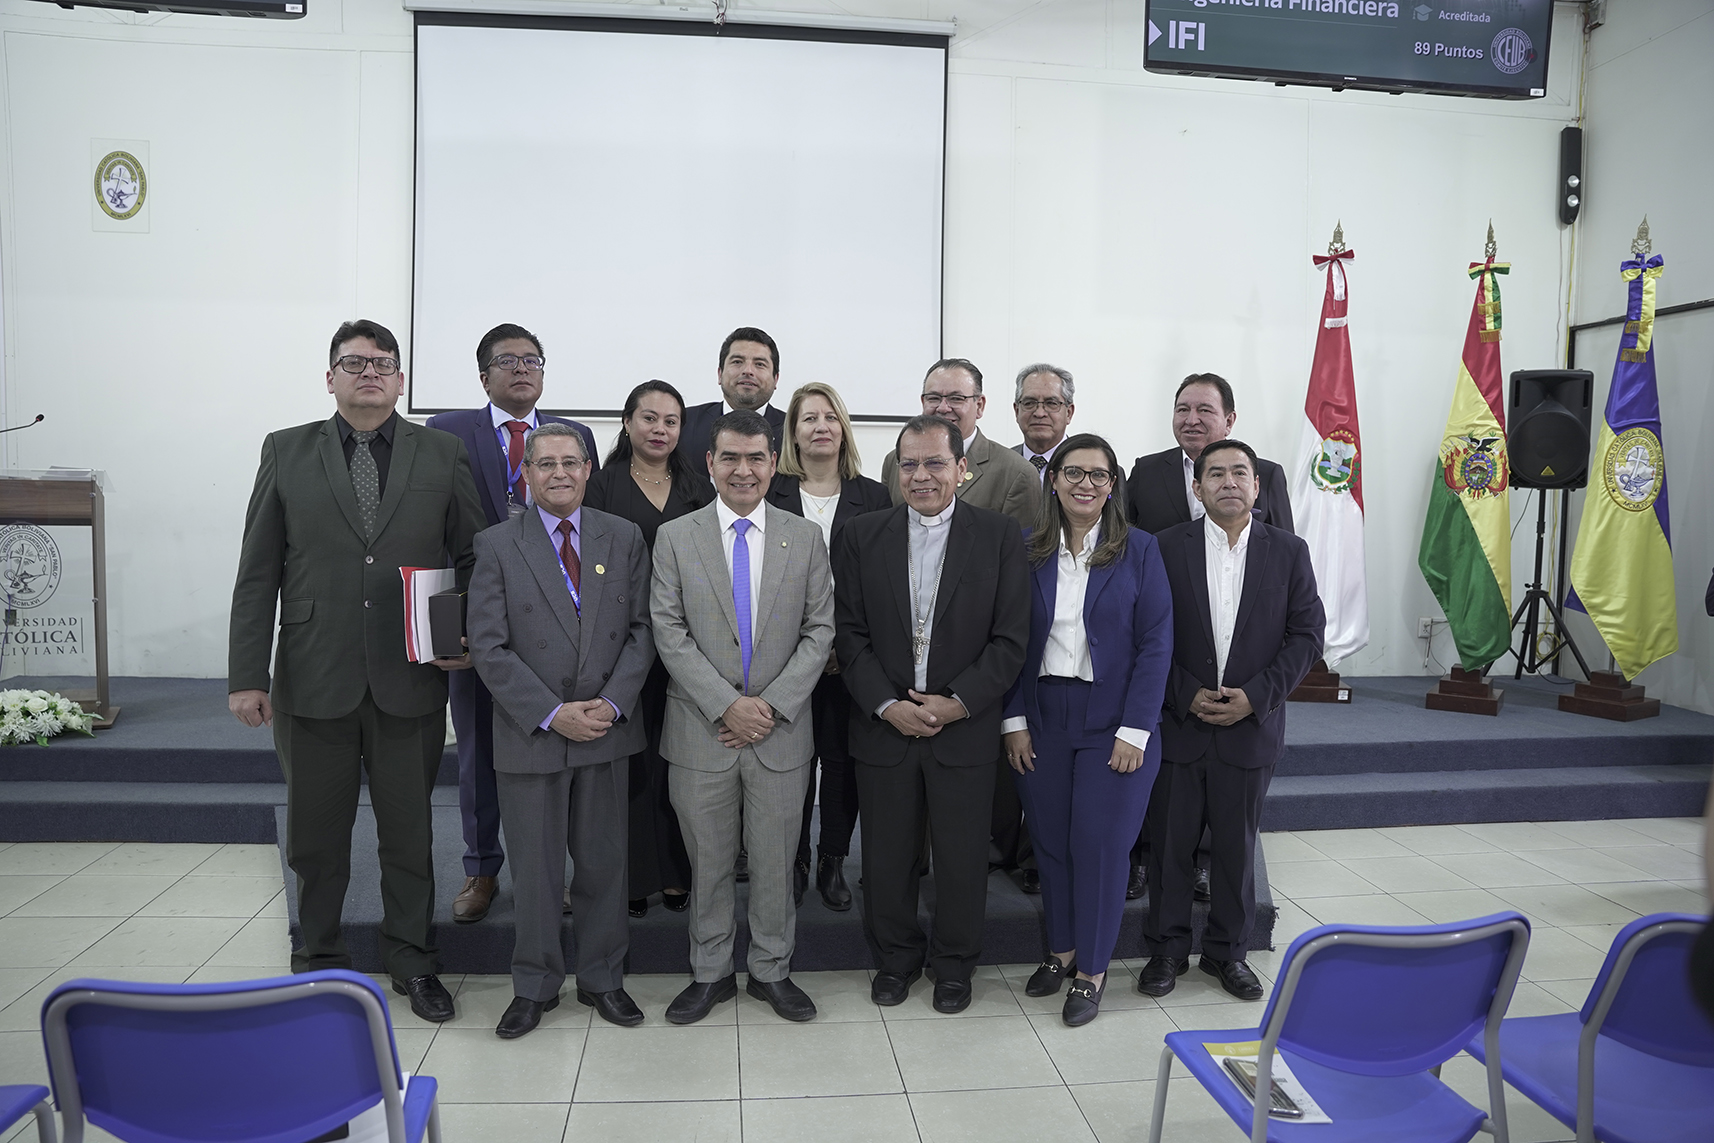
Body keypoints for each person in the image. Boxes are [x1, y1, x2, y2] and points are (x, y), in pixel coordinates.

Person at [228, 319, 485, 1023]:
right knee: (316, 837)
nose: (369, 373)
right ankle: (319, 960)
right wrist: (247, 674)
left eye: (381, 364)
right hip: (313, 674)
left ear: (400, 380)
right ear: (330, 378)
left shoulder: (441, 452)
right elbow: (258, 571)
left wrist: (460, 627)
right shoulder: (286, 450)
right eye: (354, 363)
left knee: (409, 835)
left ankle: (413, 959)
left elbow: (472, 554)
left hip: (410, 673)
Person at [834, 415, 1030, 1013]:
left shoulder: (998, 536)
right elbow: (849, 634)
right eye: (910, 464)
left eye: (936, 463)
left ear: (961, 469)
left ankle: (954, 965)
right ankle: (895, 960)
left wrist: (957, 702)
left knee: (962, 858)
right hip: (884, 727)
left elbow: (1010, 640)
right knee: (887, 857)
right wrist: (888, 705)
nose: (921, 476)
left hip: (963, 728)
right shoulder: (862, 534)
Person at [467, 424, 654, 1036]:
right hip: (534, 733)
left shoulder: (622, 537)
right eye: (545, 464)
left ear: (588, 469)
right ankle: (535, 985)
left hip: (605, 728)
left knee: (604, 866)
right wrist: (553, 712)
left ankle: (604, 979)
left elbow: (643, 629)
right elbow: (488, 647)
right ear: (526, 474)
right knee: (536, 871)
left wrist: (612, 703)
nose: (559, 474)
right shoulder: (496, 544)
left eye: (570, 462)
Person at [650, 410, 834, 1024]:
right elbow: (668, 631)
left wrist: (769, 708)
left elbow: (820, 631)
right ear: (710, 463)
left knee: (776, 863)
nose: (743, 470)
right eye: (730, 457)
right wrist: (727, 705)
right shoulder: (676, 537)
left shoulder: (804, 538)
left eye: (756, 458)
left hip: (780, 733)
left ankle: (771, 970)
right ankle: (710, 973)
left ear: (773, 463)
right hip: (701, 731)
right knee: (707, 863)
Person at [424, 323, 601, 925]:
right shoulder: (448, 431)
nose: (522, 369)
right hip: (480, 619)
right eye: (508, 361)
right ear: (484, 377)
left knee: (563, 747)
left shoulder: (573, 436)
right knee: (478, 745)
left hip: (560, 619)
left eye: (532, 360)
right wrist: (446, 621)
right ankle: (481, 868)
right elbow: (435, 530)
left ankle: (562, 872)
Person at [1138, 439, 1322, 1002]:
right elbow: (1143, 633)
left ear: (1257, 485)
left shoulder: (1288, 551)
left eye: (1240, 472)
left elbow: (1306, 636)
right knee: (1170, 847)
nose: (1229, 482)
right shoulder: (1163, 547)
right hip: (1180, 723)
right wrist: (1184, 693)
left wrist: (1256, 697)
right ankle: (1166, 950)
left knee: (1237, 849)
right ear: (1197, 488)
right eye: (1215, 474)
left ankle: (1228, 952)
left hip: (1250, 725)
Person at [1001, 434, 1172, 1026]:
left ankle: (1093, 970)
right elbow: (1008, 641)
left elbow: (1157, 644)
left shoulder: (1140, 550)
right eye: (1073, 472)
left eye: (1099, 475)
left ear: (1112, 484)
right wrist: (1013, 720)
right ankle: (1062, 950)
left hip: (1114, 721)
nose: (1085, 484)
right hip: (1042, 716)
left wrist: (1136, 729)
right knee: (1050, 841)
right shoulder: (1026, 548)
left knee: (1099, 847)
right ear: (1053, 480)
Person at [1123, 372, 1293, 902]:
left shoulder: (1264, 473)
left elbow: (1283, 574)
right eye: (1183, 409)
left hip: (1243, 670)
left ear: (1229, 420)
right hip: (1173, 665)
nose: (1192, 419)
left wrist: (1260, 691)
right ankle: (1146, 860)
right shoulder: (1145, 471)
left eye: (1205, 410)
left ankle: (1206, 865)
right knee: (1165, 791)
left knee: (1228, 806)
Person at [880, 359, 1043, 890]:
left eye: (956, 398)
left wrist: (962, 694)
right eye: (934, 397)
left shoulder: (1015, 473)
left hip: (972, 668)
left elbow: (1013, 578)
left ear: (980, 405)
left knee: (966, 830)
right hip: (904, 666)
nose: (944, 406)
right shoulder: (895, 461)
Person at [585, 380, 716, 919]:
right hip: (623, 647)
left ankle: (677, 872)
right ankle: (635, 877)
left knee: (680, 763)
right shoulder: (601, 485)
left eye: (671, 421)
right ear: (627, 422)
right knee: (632, 765)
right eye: (649, 418)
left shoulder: (698, 487)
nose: (660, 429)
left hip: (689, 647)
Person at [764, 382, 891, 911]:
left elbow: (881, 584)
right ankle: (793, 859)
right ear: (792, 433)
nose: (821, 426)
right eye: (809, 418)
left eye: (830, 417)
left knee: (841, 763)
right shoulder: (769, 492)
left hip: (850, 657)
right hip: (782, 658)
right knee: (790, 764)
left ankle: (832, 859)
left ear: (844, 429)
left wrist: (845, 646)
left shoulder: (874, 497)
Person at [675, 327, 787, 476]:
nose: (748, 371)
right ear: (720, 374)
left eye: (759, 364)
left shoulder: (793, 431)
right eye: (737, 362)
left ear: (776, 379)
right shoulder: (684, 422)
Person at [1011, 363, 1076, 477]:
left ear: (1069, 413)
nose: (1039, 413)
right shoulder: (1000, 465)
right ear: (1017, 411)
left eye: (1051, 403)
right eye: (1029, 403)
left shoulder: (1091, 467)